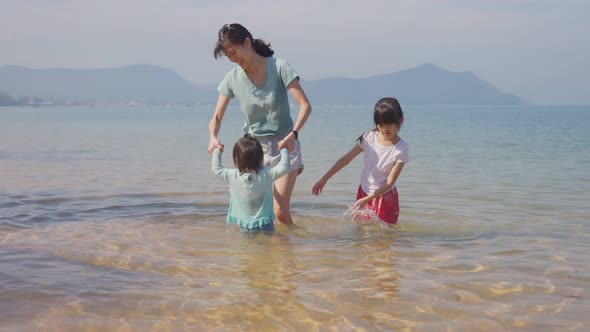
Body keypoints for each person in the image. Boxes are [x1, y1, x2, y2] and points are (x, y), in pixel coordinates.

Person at [208, 23, 312, 227]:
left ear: (247, 42)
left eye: (233, 52)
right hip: (254, 151)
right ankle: (263, 257)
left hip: (285, 144)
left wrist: (294, 134)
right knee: (254, 212)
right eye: (228, 57)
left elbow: (305, 106)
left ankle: (289, 254)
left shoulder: (279, 67)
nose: (232, 59)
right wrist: (213, 135)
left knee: (279, 210)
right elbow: (217, 116)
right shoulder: (232, 79)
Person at [312, 98, 409, 224]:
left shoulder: (401, 149)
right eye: (380, 124)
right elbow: (345, 160)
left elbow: (390, 183)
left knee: (384, 237)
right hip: (364, 190)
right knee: (361, 232)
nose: (385, 129)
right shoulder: (368, 138)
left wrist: (368, 199)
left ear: (401, 120)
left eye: (390, 124)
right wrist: (325, 178)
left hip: (385, 197)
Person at [212, 134, 290, 232]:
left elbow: (216, 168)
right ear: (260, 157)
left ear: (236, 159)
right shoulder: (267, 174)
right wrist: (284, 149)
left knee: (247, 246)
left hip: (245, 225)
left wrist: (217, 151)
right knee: (268, 246)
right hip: (265, 223)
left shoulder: (232, 175)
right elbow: (285, 167)